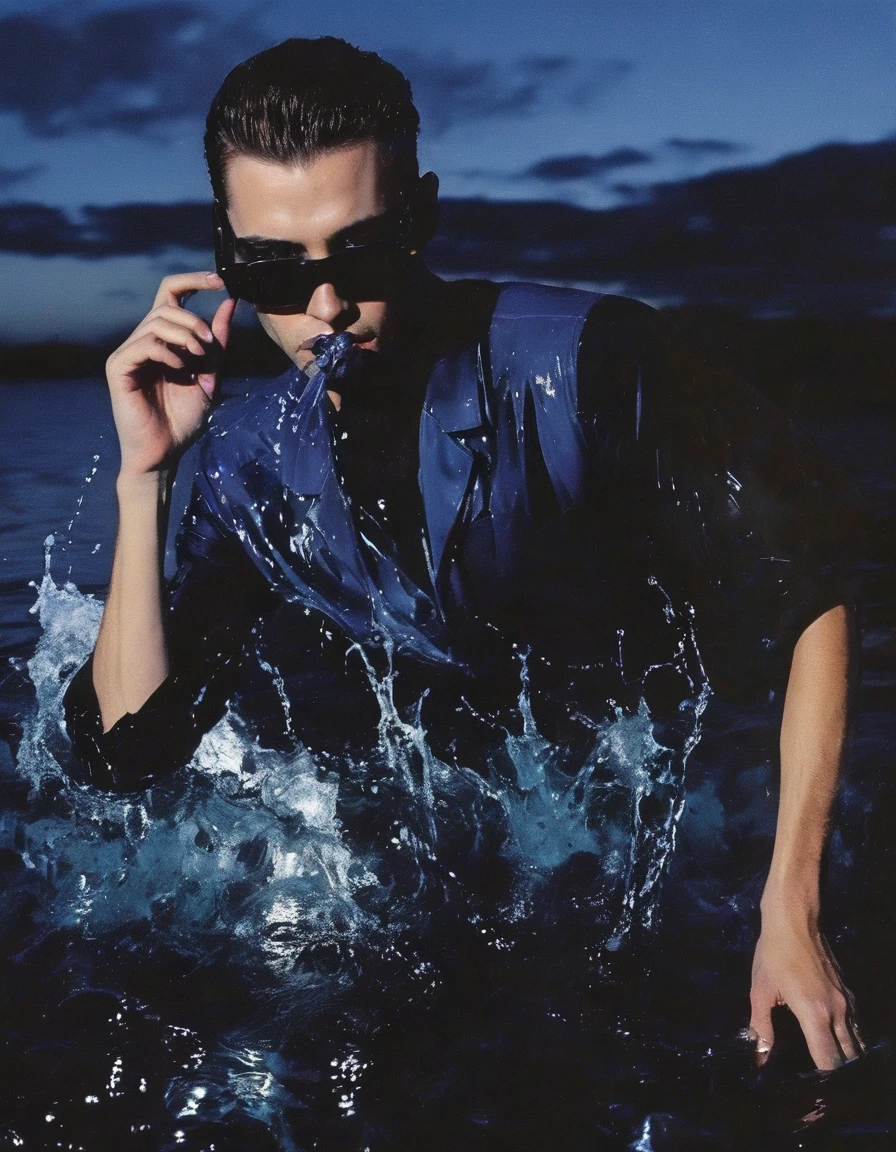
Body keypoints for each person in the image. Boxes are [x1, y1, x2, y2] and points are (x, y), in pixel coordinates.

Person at [63, 37, 861, 1072]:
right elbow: (130, 755)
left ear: (422, 215)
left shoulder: (594, 363)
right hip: (462, 844)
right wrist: (146, 481)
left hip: (674, 816)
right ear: (225, 255)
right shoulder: (244, 463)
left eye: (363, 255)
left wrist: (790, 910)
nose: (325, 308)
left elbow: (806, 593)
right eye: (272, 270)